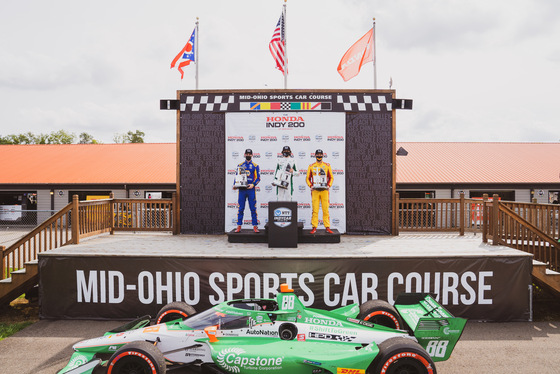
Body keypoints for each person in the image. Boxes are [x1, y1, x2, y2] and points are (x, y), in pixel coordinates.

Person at [306, 149, 334, 234]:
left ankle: (327, 227)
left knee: (325, 209)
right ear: (315, 155)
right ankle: (314, 227)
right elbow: (307, 178)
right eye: (317, 154)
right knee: (315, 209)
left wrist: (329, 185)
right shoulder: (311, 166)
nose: (319, 156)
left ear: (323, 155)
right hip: (315, 191)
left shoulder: (327, 165)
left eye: (320, 154)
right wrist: (310, 186)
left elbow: (331, 177)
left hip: (324, 190)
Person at [234, 149, 260, 233]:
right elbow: (237, 177)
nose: (248, 155)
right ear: (244, 154)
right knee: (240, 208)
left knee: (253, 208)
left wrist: (253, 184)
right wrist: (235, 184)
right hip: (242, 190)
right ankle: (238, 226)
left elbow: (258, 178)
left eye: (250, 154)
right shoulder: (240, 165)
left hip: (251, 190)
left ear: (252, 155)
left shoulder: (255, 166)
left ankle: (255, 226)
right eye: (247, 154)